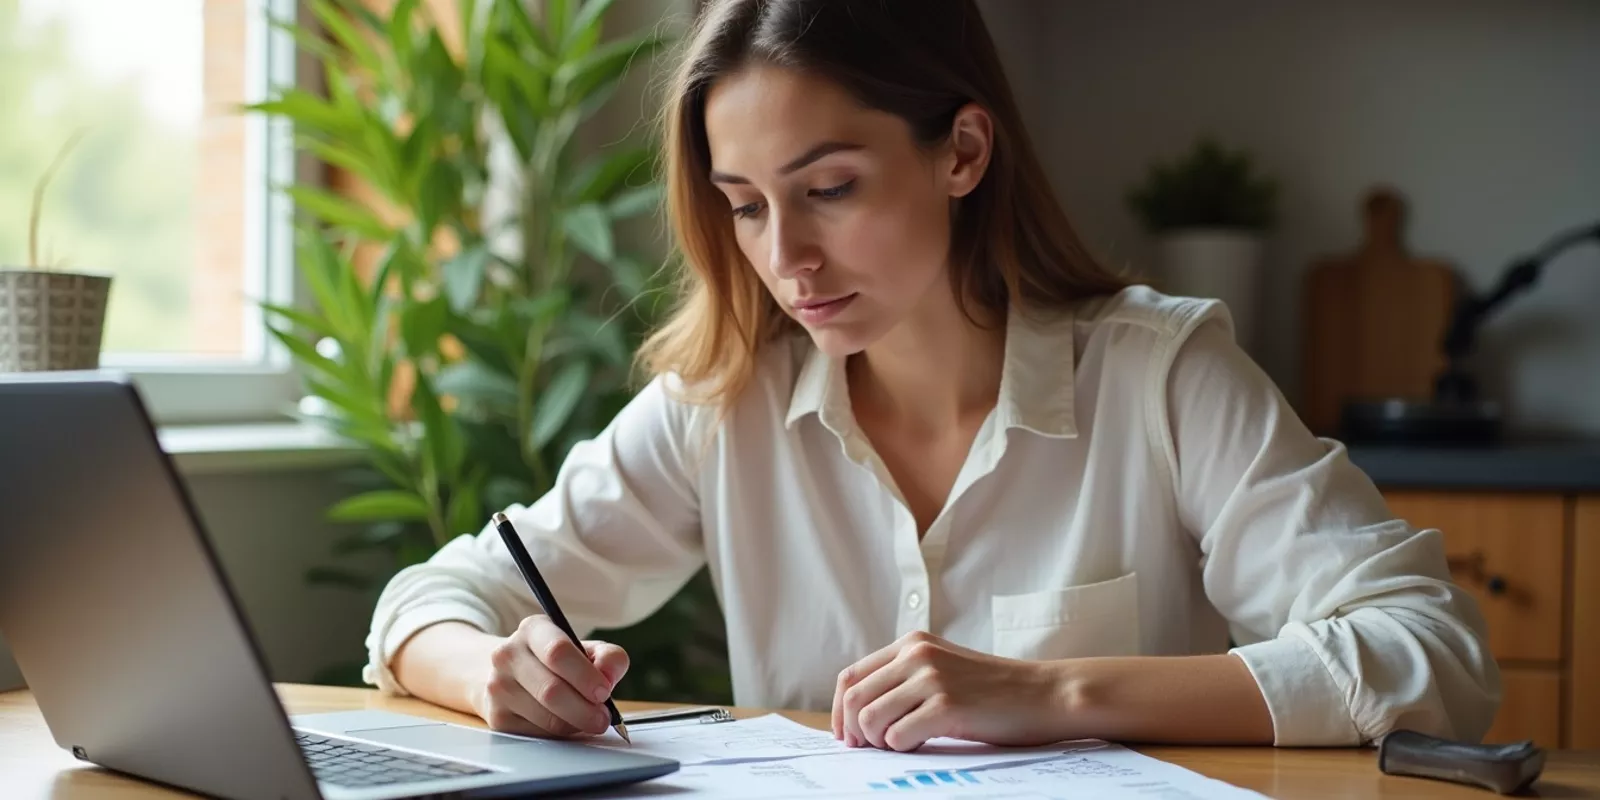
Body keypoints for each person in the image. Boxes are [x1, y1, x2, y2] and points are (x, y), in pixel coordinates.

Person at [364, 0, 1499, 753]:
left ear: (961, 150)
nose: (786, 257)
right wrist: (493, 673)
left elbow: (1432, 653)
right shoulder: (726, 402)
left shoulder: (1160, 375)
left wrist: (1051, 692)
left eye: (830, 189)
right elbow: (424, 604)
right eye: (746, 206)